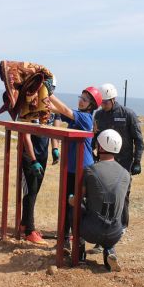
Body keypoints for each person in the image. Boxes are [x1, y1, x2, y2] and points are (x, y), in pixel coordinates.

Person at [45, 86, 102, 255]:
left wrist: (50, 93)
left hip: (82, 169)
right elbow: (57, 110)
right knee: (65, 203)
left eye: (85, 99)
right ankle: (64, 242)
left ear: (91, 105)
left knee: (78, 206)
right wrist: (43, 98)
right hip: (70, 167)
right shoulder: (78, 115)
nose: (81, 101)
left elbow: (63, 109)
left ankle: (79, 245)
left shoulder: (85, 118)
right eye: (81, 97)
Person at [90, 83, 144, 254]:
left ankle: (121, 226)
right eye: (101, 102)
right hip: (104, 163)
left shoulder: (128, 114)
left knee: (122, 196)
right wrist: (91, 153)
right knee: (102, 196)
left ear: (113, 100)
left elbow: (139, 140)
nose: (103, 105)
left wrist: (137, 161)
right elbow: (94, 137)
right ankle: (103, 231)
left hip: (123, 163)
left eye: (106, 102)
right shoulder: (99, 115)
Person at [69, 129, 131, 271]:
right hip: (116, 232)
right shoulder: (126, 174)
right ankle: (109, 251)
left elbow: (77, 201)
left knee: (74, 208)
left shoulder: (90, 170)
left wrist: (70, 199)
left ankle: (79, 253)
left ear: (101, 147)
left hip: (91, 231)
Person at [19, 77, 61, 245]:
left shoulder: (52, 107)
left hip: (43, 154)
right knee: (30, 190)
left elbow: (54, 129)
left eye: (52, 88)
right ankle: (29, 231)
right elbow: (26, 136)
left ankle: (25, 224)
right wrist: (33, 159)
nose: (49, 91)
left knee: (35, 191)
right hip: (30, 155)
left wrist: (55, 148)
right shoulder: (30, 105)